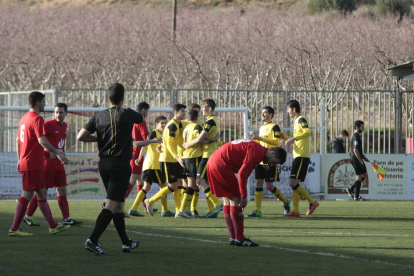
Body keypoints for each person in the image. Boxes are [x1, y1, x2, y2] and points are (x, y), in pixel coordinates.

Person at [77, 83, 143, 255]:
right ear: (122, 98)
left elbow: (81, 136)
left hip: (104, 163)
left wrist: (99, 139)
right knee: (111, 205)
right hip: (119, 165)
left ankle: (126, 243)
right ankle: (92, 240)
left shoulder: (98, 116)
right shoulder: (128, 113)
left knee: (119, 206)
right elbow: (141, 118)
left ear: (108, 98)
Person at [9, 91, 70, 237]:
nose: (44, 104)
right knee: (27, 194)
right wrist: (57, 153)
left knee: (42, 193)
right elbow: (41, 140)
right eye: (43, 102)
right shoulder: (37, 119)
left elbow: (19, 141)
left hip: (29, 162)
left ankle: (53, 226)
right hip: (32, 164)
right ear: (38, 103)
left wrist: (20, 159)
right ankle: (14, 228)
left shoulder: (24, 118)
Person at [207, 139, 287, 246]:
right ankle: (240, 239)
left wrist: (242, 194)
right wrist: (244, 196)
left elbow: (245, 173)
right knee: (236, 200)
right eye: (273, 162)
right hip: (221, 164)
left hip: (214, 161)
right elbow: (242, 174)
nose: (271, 165)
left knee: (228, 200)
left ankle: (233, 238)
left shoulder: (257, 149)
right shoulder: (257, 152)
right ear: (272, 153)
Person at [23, 103, 83, 227]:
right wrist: (46, 154)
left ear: (66, 113)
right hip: (48, 165)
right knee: (42, 192)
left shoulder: (65, 125)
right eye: (56, 112)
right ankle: (28, 216)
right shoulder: (48, 124)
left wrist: (62, 155)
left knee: (62, 190)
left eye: (61, 112)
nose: (58, 114)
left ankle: (66, 218)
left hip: (59, 164)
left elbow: (59, 143)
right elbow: (38, 140)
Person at [247, 106, 291, 217]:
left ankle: (286, 202)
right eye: (262, 113)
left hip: (271, 160)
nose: (262, 114)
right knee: (258, 183)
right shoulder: (261, 128)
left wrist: (261, 139)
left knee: (269, 186)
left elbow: (276, 143)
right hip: (260, 160)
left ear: (271, 114)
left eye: (265, 112)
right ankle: (257, 210)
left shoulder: (274, 127)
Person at [144, 104, 187, 216]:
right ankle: (150, 201)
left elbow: (168, 141)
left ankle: (179, 212)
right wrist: (177, 157)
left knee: (178, 185)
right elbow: (169, 144)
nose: (184, 113)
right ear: (176, 112)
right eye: (182, 111)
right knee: (173, 186)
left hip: (173, 159)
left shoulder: (177, 124)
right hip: (168, 160)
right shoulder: (172, 125)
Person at [183, 99, 223, 219]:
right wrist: (213, 140)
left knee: (199, 182)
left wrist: (187, 145)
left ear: (209, 109)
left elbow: (200, 139)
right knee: (203, 182)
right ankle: (211, 208)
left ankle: (218, 205)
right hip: (206, 154)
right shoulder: (209, 121)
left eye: (204, 107)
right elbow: (206, 139)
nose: (202, 109)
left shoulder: (210, 121)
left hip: (207, 155)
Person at [128, 116, 175, 217]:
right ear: (156, 124)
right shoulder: (154, 133)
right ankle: (165, 210)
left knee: (146, 187)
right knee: (163, 186)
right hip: (154, 165)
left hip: (150, 165)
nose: (164, 125)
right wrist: (140, 157)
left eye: (165, 123)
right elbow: (145, 145)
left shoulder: (164, 134)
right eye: (161, 123)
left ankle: (133, 209)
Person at [283, 100, 319, 217]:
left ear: (294, 109)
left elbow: (307, 132)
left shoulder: (301, 120)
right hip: (298, 155)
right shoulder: (296, 121)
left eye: (288, 109)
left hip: (301, 156)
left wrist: (294, 138)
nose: (288, 112)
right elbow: (298, 138)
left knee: (292, 183)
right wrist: (286, 137)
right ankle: (295, 210)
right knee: (295, 185)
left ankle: (312, 202)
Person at [125, 102, 151, 216]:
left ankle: (144, 206)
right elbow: (146, 140)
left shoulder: (131, 120)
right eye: (148, 111)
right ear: (143, 111)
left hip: (132, 152)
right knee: (132, 179)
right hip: (137, 154)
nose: (148, 114)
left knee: (139, 180)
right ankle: (117, 204)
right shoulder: (141, 121)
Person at [178, 110, 203, 218]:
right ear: (197, 118)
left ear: (188, 119)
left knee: (191, 184)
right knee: (193, 184)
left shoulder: (186, 128)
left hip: (186, 157)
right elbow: (200, 140)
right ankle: (183, 209)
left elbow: (184, 142)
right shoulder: (197, 127)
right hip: (194, 156)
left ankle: (186, 209)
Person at [347, 121, 369, 201]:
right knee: (359, 176)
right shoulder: (355, 136)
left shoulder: (356, 136)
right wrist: (360, 160)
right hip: (355, 159)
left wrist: (363, 157)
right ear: (357, 127)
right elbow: (355, 150)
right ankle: (356, 196)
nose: (363, 128)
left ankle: (351, 189)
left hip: (357, 158)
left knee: (365, 175)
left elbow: (357, 150)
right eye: (362, 127)